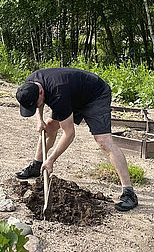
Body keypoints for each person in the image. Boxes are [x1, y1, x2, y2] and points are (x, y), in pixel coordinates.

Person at [14, 67, 138, 212]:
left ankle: (129, 192)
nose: (36, 106)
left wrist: (51, 159)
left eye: (35, 104)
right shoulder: (31, 82)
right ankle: (36, 166)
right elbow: (38, 103)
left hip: (95, 95)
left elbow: (69, 134)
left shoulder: (57, 92)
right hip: (72, 94)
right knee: (49, 128)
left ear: (41, 92)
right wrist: (39, 120)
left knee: (103, 141)